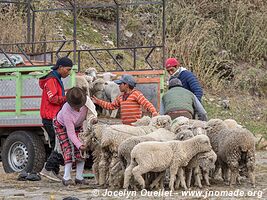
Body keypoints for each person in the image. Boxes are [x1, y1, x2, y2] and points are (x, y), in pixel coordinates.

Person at [39, 57, 73, 181]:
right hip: (50, 116)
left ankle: (53, 171)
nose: (68, 73)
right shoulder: (51, 80)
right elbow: (53, 98)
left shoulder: (56, 79)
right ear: (60, 67)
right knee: (59, 144)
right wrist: (68, 98)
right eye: (68, 70)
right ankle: (48, 169)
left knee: (56, 143)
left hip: (54, 115)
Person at [54, 87, 96, 186]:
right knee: (68, 149)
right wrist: (79, 144)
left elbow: (91, 113)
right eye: (75, 106)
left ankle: (79, 177)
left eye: (79, 105)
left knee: (82, 151)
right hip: (62, 126)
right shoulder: (66, 111)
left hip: (78, 125)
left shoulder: (86, 103)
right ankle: (66, 177)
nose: (78, 108)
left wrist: (93, 119)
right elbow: (71, 134)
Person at [92, 74, 158, 125]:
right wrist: (98, 102)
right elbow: (111, 106)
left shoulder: (136, 94)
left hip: (135, 126)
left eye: (120, 84)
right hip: (125, 126)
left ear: (126, 85)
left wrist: (154, 112)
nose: (118, 86)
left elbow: (146, 104)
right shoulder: (121, 97)